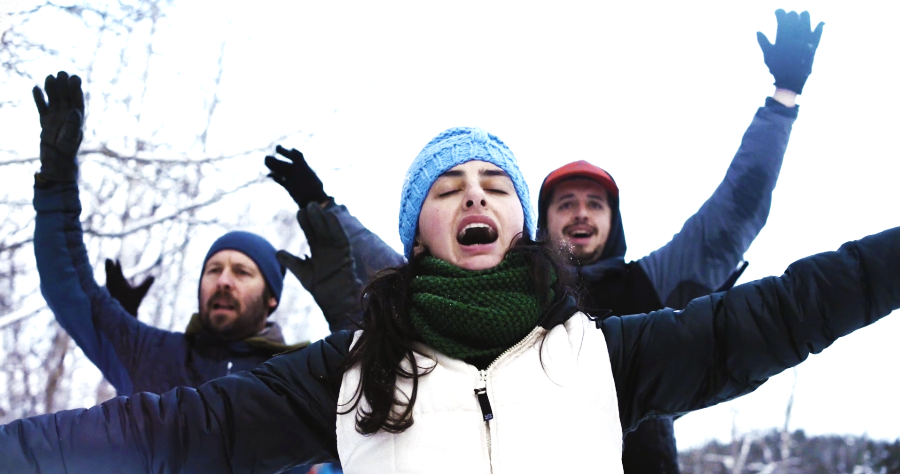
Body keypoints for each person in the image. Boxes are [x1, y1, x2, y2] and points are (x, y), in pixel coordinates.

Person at [1, 125, 898, 474]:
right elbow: (161, 433)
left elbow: (789, 308)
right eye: (447, 188)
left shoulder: (605, 352)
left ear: (520, 225)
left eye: (493, 184)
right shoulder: (348, 374)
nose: (473, 196)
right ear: (417, 231)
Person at [264, 9, 826, 473]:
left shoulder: (646, 285)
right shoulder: (476, 294)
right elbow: (391, 263)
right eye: (565, 203)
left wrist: (782, 102)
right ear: (537, 224)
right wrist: (326, 207)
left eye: (595, 203)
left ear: (613, 220)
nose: (580, 214)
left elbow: (733, 214)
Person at [28, 71, 360, 398]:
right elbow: (68, 286)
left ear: (272, 297)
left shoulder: (301, 378)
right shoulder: (149, 354)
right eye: (214, 270)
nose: (223, 281)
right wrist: (56, 182)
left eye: (242, 272)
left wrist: (346, 305)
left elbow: (377, 384)